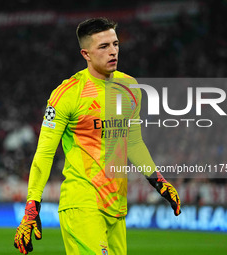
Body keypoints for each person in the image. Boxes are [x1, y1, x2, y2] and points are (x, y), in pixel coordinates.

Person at [14, 17, 181, 255]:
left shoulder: (130, 88)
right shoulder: (68, 94)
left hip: (116, 205)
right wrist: (32, 205)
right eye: (103, 47)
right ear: (86, 54)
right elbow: (45, 152)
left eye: (115, 44)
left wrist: (158, 180)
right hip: (82, 202)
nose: (113, 51)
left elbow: (133, 142)